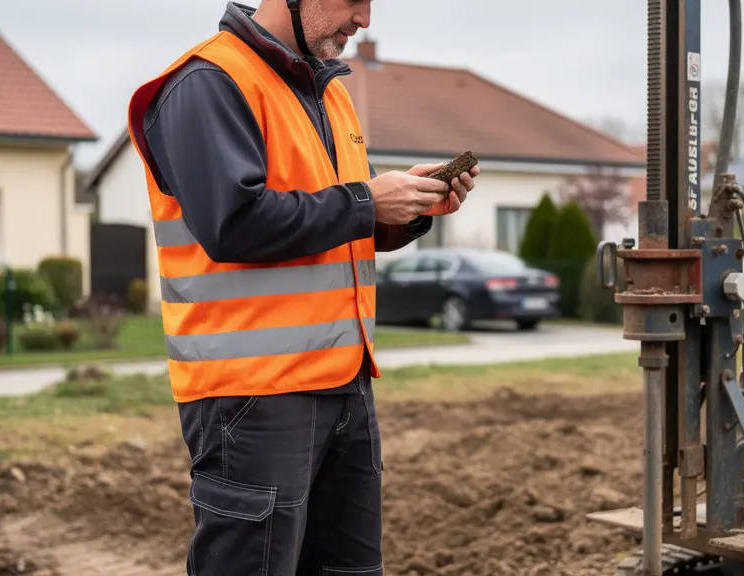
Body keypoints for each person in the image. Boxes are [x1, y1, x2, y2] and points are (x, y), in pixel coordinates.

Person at [124, 1, 480, 574]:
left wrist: (403, 211)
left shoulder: (329, 92)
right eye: (353, 1)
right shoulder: (207, 83)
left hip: (346, 388)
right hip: (252, 399)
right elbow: (233, 224)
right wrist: (368, 200)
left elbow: (329, 227)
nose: (364, 20)